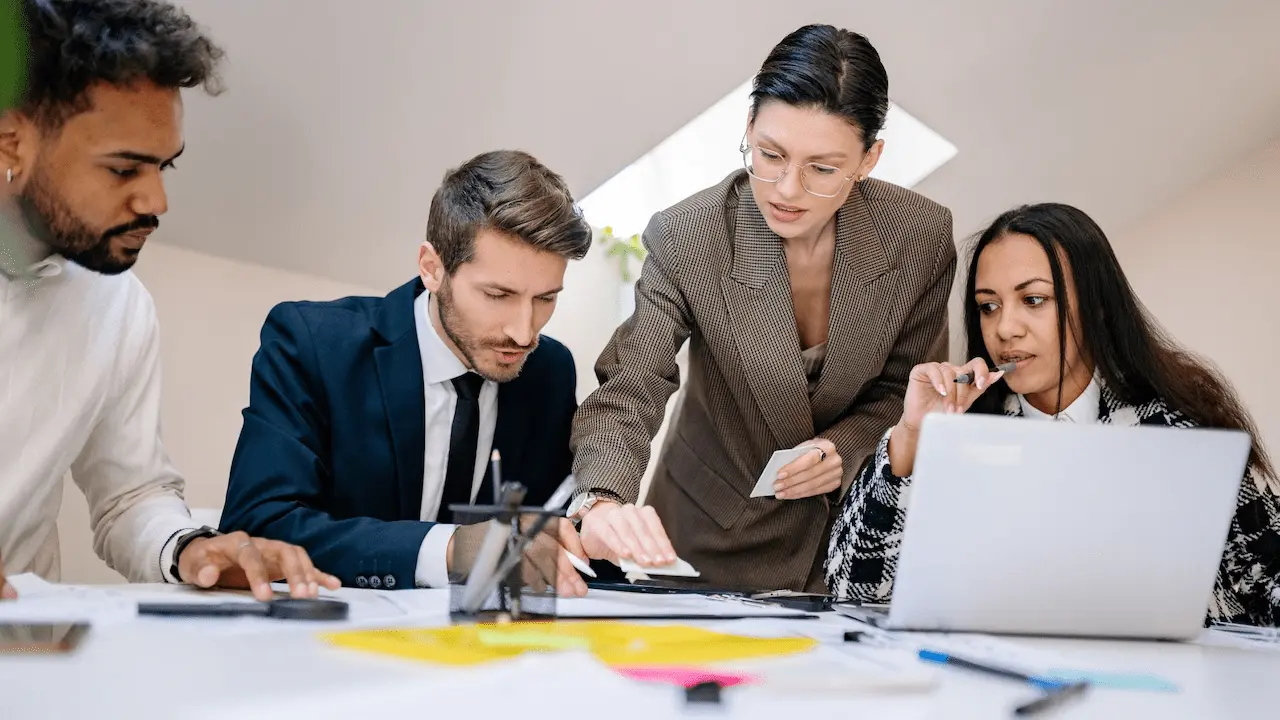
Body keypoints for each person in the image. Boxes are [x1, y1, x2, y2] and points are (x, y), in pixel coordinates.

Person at [568, 24, 957, 592]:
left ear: (870, 158)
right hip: (704, 536)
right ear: (748, 128)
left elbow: (907, 388)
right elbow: (633, 383)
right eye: (769, 154)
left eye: (822, 168)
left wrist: (841, 447)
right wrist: (600, 502)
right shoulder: (688, 235)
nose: (786, 189)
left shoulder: (918, 236)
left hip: (850, 541)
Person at [0, 0, 338, 601]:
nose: (157, 200)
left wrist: (192, 550)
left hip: (25, 659)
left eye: (164, 166)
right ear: (11, 145)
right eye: (124, 170)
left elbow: (130, 496)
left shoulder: (117, 304)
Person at [825, 202, 1280, 627]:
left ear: (1098, 306)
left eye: (1034, 300)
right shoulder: (961, 437)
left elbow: (1269, 582)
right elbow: (852, 589)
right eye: (989, 306)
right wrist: (912, 436)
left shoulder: (1181, 431)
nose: (1005, 328)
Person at [219, 150, 594, 597]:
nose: (524, 331)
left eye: (546, 299)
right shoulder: (312, 344)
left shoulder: (549, 371)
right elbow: (256, 525)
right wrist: (449, 549)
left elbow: (547, 532)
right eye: (498, 295)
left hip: (491, 652)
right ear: (432, 269)